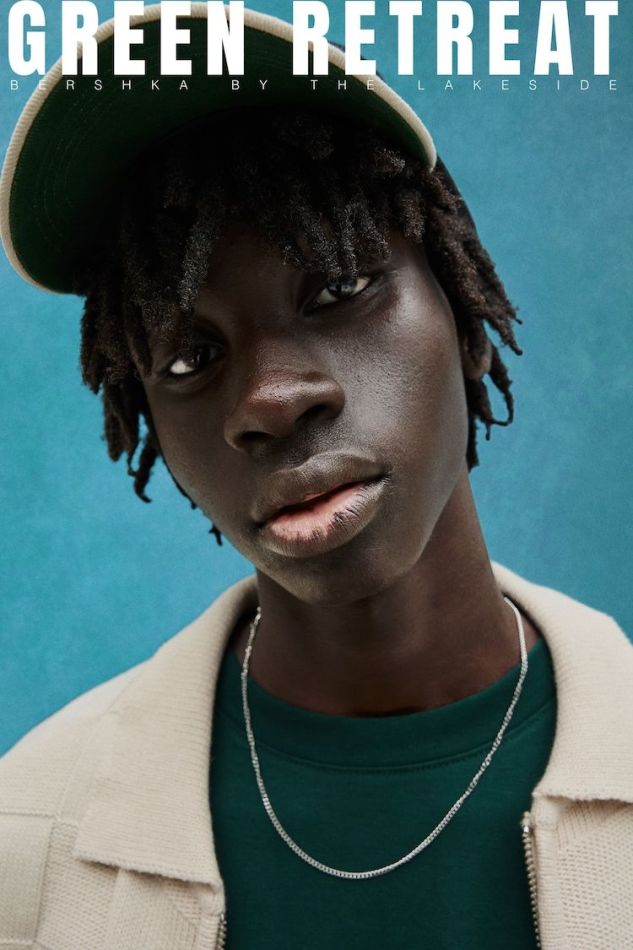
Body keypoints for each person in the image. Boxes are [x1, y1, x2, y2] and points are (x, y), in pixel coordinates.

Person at [0, 8, 631, 949]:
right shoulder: (26, 835)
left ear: (461, 318)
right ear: (151, 428)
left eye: (339, 289)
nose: (269, 400)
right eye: (190, 359)